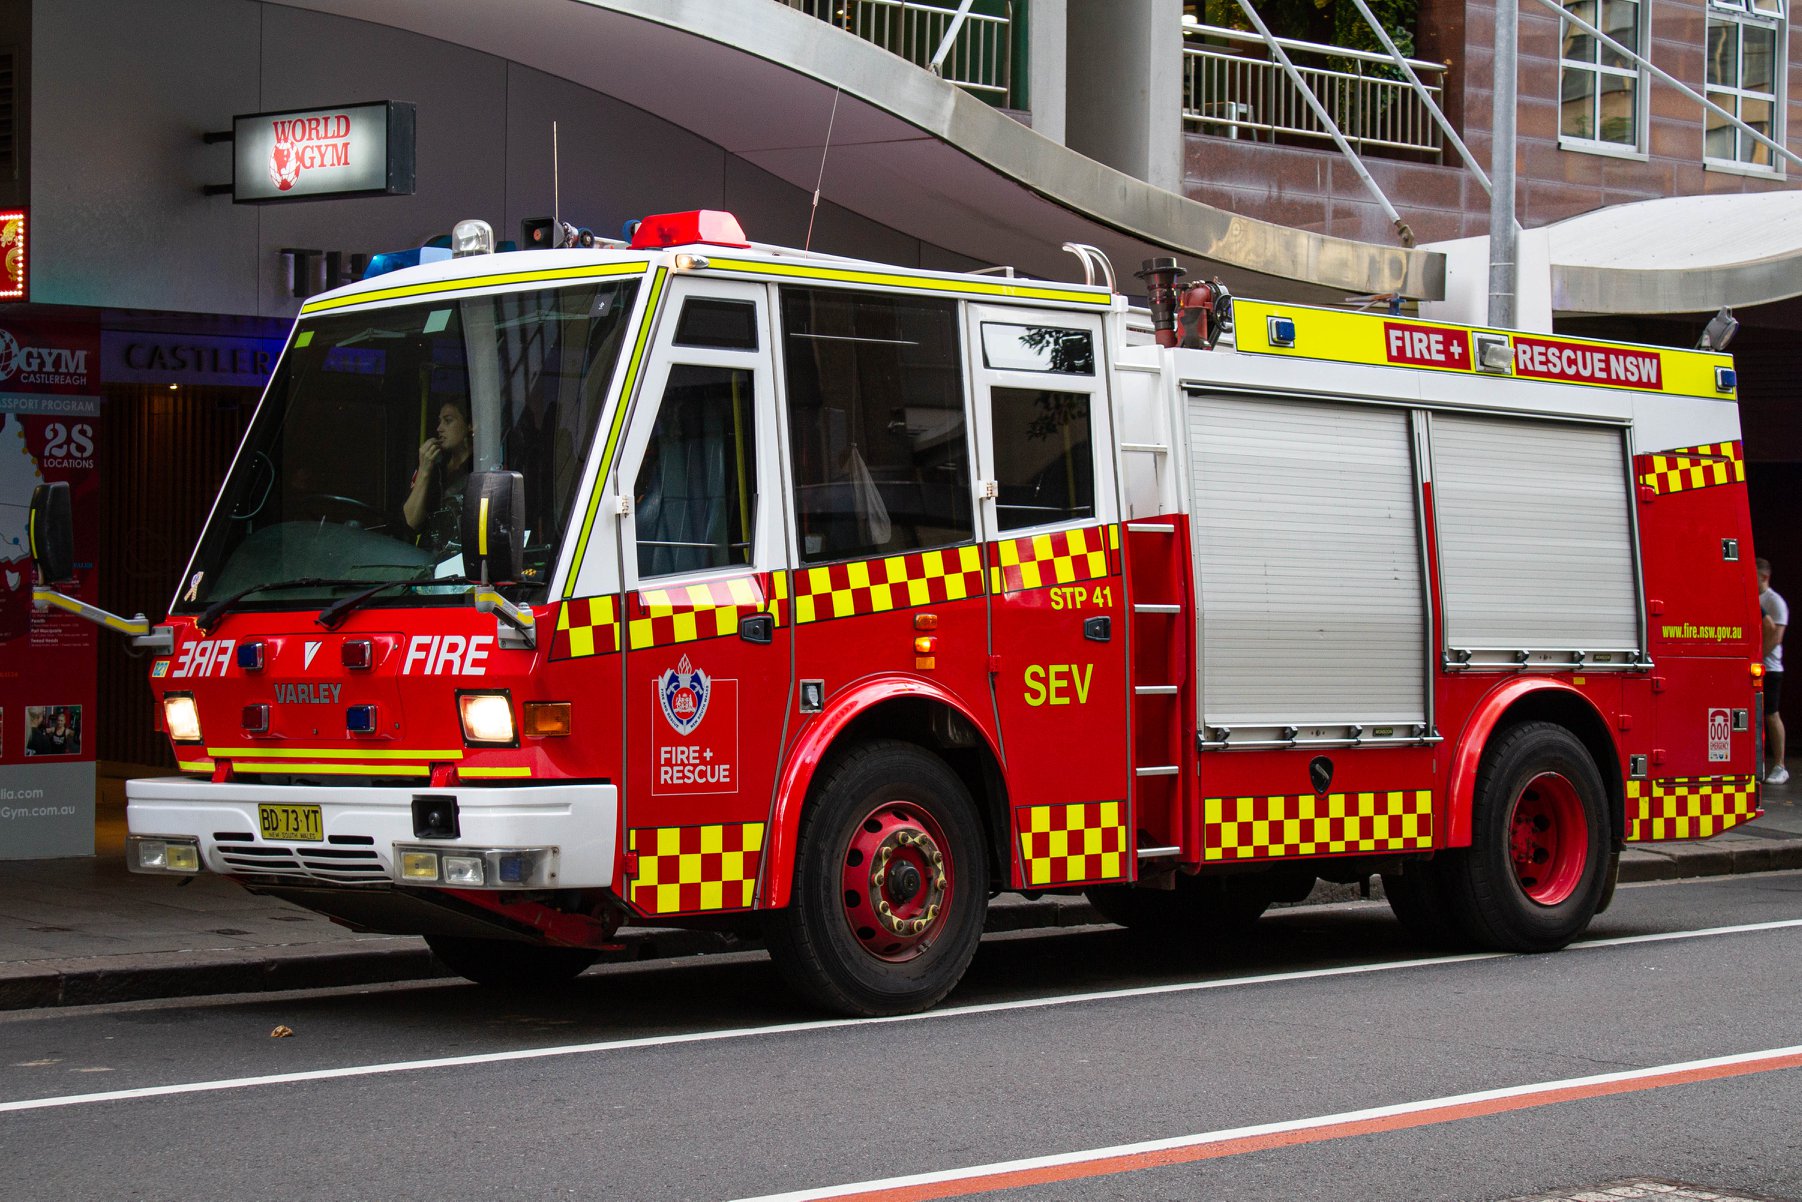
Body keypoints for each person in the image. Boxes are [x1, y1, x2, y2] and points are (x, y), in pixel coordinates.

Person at [404, 397, 474, 556]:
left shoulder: (478, 466)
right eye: (439, 421)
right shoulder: (436, 466)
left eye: (448, 421)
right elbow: (411, 522)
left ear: (469, 425)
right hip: (430, 556)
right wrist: (424, 469)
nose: (439, 428)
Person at [1759, 558, 1788, 785]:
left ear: (1764, 576)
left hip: (1770, 668)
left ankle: (1780, 766)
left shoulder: (1774, 601)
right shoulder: (1751, 597)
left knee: (1771, 714)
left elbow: (1775, 637)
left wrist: (1757, 659)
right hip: (1753, 668)